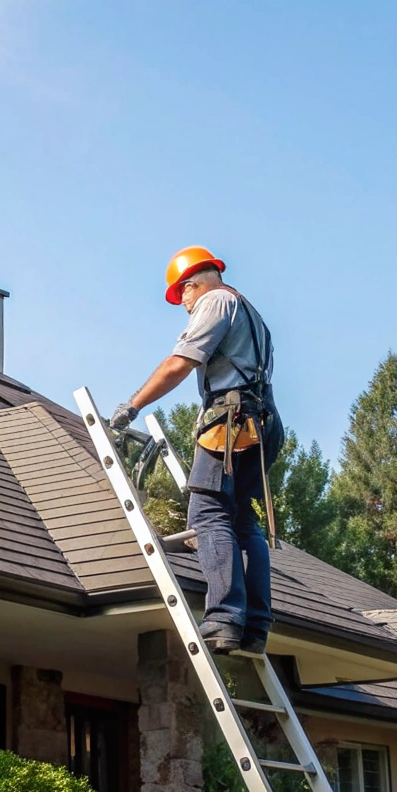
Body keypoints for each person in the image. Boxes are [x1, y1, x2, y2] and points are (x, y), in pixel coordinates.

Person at [109, 246, 281, 655]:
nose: (184, 306)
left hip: (231, 423)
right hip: (261, 423)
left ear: (193, 284)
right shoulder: (252, 314)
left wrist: (132, 405)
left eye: (181, 296)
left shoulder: (215, 301)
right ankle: (255, 626)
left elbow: (179, 363)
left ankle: (223, 617)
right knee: (242, 521)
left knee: (207, 513)